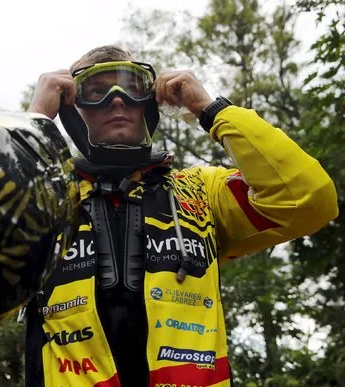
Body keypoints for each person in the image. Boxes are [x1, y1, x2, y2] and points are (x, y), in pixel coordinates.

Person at [22, 45, 338, 387]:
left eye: (131, 88)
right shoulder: (42, 201)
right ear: (75, 109)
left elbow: (309, 199)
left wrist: (209, 108)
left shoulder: (203, 191)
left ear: (149, 101)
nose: (116, 100)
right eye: (96, 91)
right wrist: (33, 123)